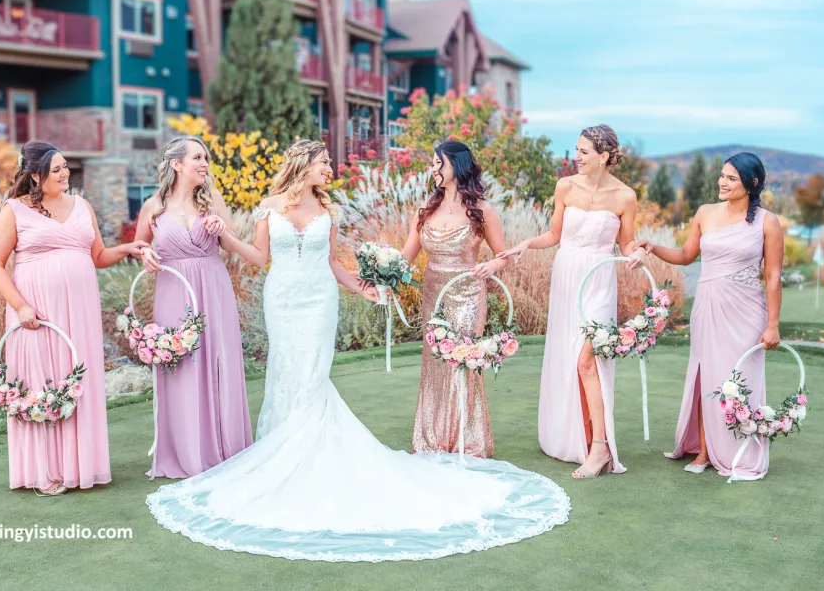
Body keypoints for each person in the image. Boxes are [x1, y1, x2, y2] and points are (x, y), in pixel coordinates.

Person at [145, 140, 570, 562]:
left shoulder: (327, 212)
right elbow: (259, 257)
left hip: (319, 301)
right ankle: (283, 452)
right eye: (324, 162)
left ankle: (307, 456)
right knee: (285, 373)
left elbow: (331, 264)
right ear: (304, 164)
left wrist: (363, 288)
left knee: (313, 374)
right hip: (282, 300)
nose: (330, 168)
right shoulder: (269, 206)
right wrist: (227, 240)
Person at [0, 140, 147, 494]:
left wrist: (127, 248)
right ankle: (45, 473)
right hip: (37, 311)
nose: (64, 173)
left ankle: (81, 466)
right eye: (56, 169)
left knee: (77, 380)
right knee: (42, 380)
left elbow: (98, 255)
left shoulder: (82, 205)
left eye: (64, 167)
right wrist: (20, 305)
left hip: (81, 310)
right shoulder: (14, 210)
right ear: (35, 175)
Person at [499, 124, 646, 479]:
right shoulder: (565, 186)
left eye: (583, 152)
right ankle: (573, 436)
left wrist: (637, 252)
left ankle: (600, 450)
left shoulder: (625, 196)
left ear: (604, 157)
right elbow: (554, 234)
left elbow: (625, 244)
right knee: (569, 358)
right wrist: (526, 244)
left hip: (599, 280)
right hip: (566, 278)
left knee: (587, 361)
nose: (576, 157)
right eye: (576, 150)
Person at [639, 152, 782, 480]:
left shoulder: (767, 222)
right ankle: (704, 450)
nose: (722, 182)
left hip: (747, 310)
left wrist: (773, 324)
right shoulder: (704, 213)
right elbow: (687, 255)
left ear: (752, 183)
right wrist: (654, 248)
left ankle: (740, 448)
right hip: (708, 304)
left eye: (732, 178)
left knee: (739, 376)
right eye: (722, 176)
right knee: (707, 374)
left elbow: (773, 276)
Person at [133, 136, 253, 478]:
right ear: (176, 164)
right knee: (181, 364)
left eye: (206, 158)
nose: (205, 164)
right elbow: (139, 246)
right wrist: (145, 255)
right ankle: (185, 453)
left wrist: (220, 230)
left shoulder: (212, 199)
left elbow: (231, 246)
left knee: (220, 361)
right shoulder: (153, 206)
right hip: (173, 290)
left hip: (213, 289)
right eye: (198, 158)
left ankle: (225, 448)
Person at [399, 140, 510, 458]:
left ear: (457, 166)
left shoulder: (482, 210)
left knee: (461, 362)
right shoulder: (425, 211)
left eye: (438, 163)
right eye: (432, 164)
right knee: (435, 364)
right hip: (434, 295)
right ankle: (432, 440)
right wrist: (382, 271)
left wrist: (491, 265)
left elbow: (503, 255)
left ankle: (467, 441)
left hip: (468, 294)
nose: (433, 169)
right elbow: (406, 256)